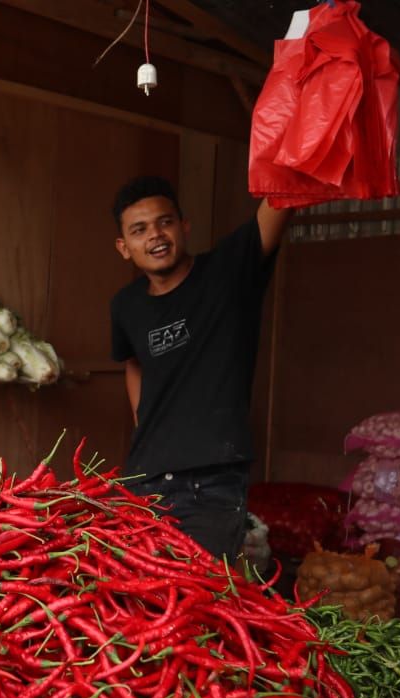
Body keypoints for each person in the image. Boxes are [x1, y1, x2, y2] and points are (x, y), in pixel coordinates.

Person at [109, 176, 292, 564]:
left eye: (165, 222)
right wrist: (143, 420)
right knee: (140, 596)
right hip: (144, 479)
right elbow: (133, 361)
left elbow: (279, 201)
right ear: (124, 248)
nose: (155, 236)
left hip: (212, 481)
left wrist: (295, 145)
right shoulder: (125, 306)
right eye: (139, 230)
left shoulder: (227, 272)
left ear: (184, 226)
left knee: (197, 597)